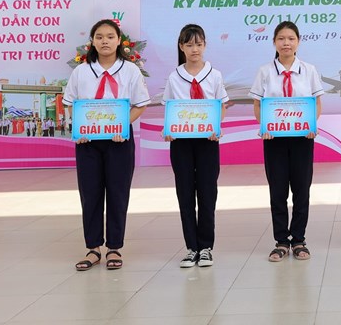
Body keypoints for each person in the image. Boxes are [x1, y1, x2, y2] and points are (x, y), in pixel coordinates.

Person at [63, 19, 150, 271]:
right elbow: (69, 103)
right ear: (92, 41)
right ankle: (93, 248)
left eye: (110, 36)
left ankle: (114, 247)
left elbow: (140, 104)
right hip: (88, 141)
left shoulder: (130, 70)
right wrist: (78, 128)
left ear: (119, 41)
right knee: (90, 194)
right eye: (99, 37)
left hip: (119, 141)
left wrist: (122, 125)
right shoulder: (81, 71)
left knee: (117, 193)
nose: (105, 41)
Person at [250, 21, 324, 262]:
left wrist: (311, 125)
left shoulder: (309, 70)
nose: (286, 43)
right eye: (281, 38)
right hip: (274, 140)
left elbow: (316, 103)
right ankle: (281, 241)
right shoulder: (265, 71)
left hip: (303, 138)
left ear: (298, 42)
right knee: (278, 190)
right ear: (274, 42)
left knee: (302, 190)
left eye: (291, 38)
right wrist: (265, 126)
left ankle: (299, 239)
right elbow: (258, 104)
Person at [162, 24, 229, 269]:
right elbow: (170, 107)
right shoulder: (174, 76)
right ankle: (191, 247)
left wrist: (216, 126)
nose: (194, 49)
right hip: (181, 143)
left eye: (199, 44)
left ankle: (206, 247)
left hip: (207, 142)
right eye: (189, 45)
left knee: (208, 192)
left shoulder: (215, 75)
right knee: (185, 193)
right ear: (181, 47)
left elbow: (221, 105)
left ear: (205, 45)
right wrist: (169, 130)